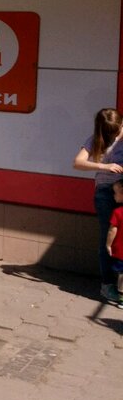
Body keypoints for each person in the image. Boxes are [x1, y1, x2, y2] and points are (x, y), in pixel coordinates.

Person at [73, 108, 123, 302]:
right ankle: (108, 285)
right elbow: (77, 163)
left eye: (117, 129)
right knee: (108, 237)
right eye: (111, 132)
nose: (115, 135)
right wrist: (104, 166)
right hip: (105, 192)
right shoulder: (96, 139)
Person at [104, 178, 123, 308]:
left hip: (121, 251)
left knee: (122, 275)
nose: (113, 196)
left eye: (115, 193)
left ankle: (122, 298)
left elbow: (112, 230)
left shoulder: (118, 212)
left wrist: (108, 244)